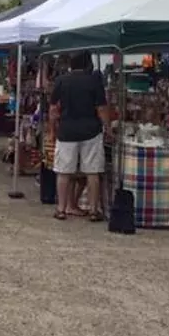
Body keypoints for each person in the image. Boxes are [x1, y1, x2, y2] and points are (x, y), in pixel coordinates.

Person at [50, 51, 109, 222]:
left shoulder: (61, 80)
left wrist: (53, 130)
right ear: (88, 64)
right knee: (92, 171)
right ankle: (93, 210)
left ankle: (61, 209)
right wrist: (108, 128)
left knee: (63, 171)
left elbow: (54, 109)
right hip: (91, 130)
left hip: (67, 130)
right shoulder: (94, 81)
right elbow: (101, 109)